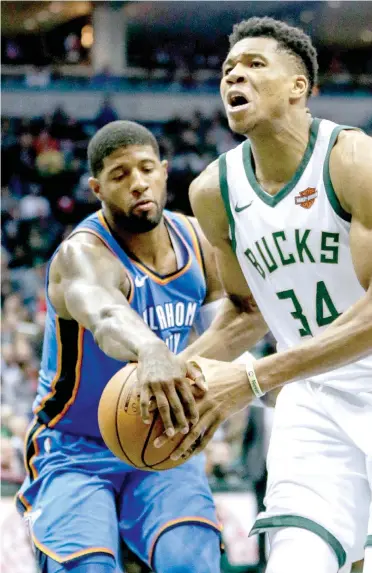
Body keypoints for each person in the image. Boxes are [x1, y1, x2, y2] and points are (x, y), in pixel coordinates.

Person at [164, 17, 372, 573]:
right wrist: (171, 376)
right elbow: (247, 311)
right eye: (228, 69)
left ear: (298, 87)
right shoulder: (212, 191)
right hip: (312, 399)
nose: (235, 74)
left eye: (255, 65)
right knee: (294, 560)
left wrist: (255, 378)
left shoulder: (355, 161)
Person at [15, 120, 228, 573]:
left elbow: (242, 314)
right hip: (74, 445)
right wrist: (150, 349)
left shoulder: (197, 242)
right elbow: (107, 316)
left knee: (191, 560)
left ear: (165, 172)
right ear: (97, 188)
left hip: (161, 438)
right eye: (120, 175)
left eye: (146, 169)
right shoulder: (83, 254)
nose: (137, 183)